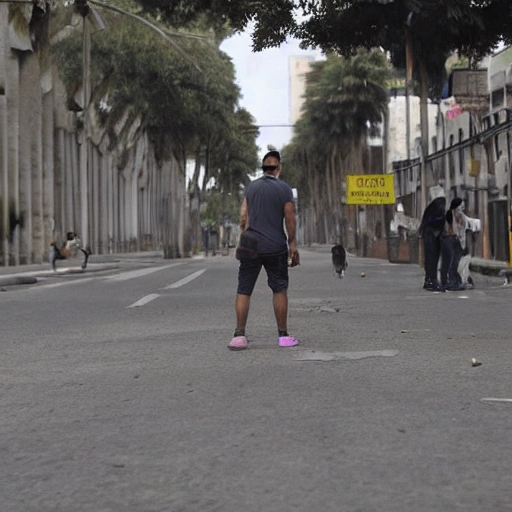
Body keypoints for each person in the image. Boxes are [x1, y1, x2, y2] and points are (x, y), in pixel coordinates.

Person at [228, 150, 300, 351]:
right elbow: (290, 217)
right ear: (278, 168)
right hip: (275, 246)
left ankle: (239, 336)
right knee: (279, 288)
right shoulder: (284, 189)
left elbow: (243, 216)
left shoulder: (251, 188)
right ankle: (283, 336)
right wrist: (292, 244)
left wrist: (248, 232)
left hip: (250, 245)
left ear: (263, 168)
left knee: (244, 289)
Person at [419, 197, 446, 291]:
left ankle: (431, 279)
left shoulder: (431, 214)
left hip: (433, 239)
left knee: (432, 261)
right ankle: (431, 280)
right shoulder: (434, 216)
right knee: (431, 260)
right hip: (431, 239)